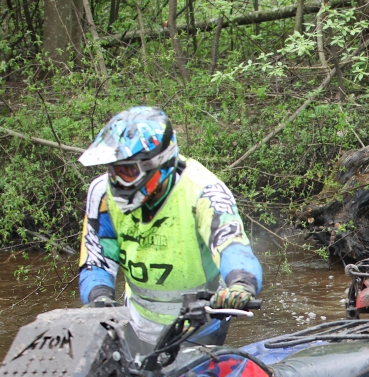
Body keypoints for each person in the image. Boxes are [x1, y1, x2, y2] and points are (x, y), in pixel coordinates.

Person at [77, 106, 262, 349]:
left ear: (157, 164)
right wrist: (99, 299)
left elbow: (233, 247)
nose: (116, 181)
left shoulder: (204, 192)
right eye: (113, 170)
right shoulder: (101, 193)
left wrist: (241, 285)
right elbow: (97, 261)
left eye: (127, 171)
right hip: (136, 319)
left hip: (199, 323)